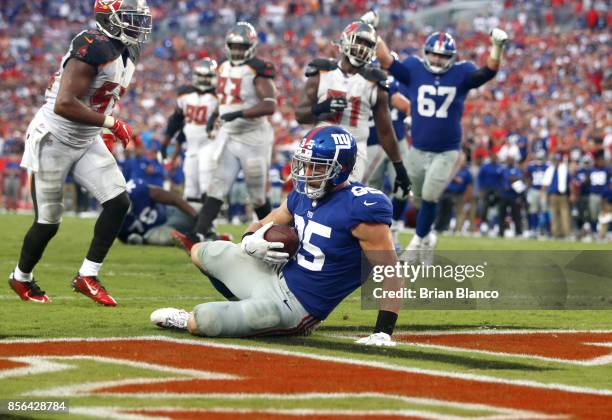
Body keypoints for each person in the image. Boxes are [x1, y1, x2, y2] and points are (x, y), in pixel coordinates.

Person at [151, 126, 403, 346]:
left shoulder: (361, 209)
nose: (306, 171)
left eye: (316, 165)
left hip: (296, 307)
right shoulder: (304, 192)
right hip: (272, 277)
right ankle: (244, 308)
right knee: (202, 251)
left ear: (341, 169)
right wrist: (250, 240)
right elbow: (266, 220)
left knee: (201, 322)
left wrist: (383, 331)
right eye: (304, 163)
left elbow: (390, 271)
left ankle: (205, 319)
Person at [8, 0, 152, 306]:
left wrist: (104, 124)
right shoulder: (93, 47)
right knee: (49, 221)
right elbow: (64, 103)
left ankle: (87, 275)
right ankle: (21, 277)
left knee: (118, 201)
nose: (137, 24)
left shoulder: (129, 50)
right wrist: (112, 123)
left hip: (87, 137)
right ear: (108, 18)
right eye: (129, 18)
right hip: (54, 136)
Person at [374, 19, 508, 263]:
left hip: (447, 150)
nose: (436, 60)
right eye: (433, 55)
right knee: (413, 194)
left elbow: (488, 71)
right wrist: (371, 32)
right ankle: (425, 237)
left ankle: (417, 241)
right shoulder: (415, 68)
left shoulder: (461, 73)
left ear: (452, 58)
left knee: (431, 194)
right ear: (426, 54)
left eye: (442, 56)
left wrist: (497, 47)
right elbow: (386, 61)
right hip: (418, 148)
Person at [175, 22, 277, 249]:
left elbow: (270, 105)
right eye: (235, 47)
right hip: (230, 136)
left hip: (254, 138)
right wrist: (215, 117)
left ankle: (275, 235)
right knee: (217, 185)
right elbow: (223, 101)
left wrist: (238, 113)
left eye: (242, 47)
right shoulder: (221, 67)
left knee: (257, 195)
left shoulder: (258, 69)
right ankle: (198, 235)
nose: (238, 51)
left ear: (251, 47)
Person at [294, 21, 411, 197]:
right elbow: (300, 115)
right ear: (345, 40)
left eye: (368, 44)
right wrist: (322, 107)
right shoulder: (322, 71)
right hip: (319, 146)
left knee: (341, 201)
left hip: (353, 150)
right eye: (359, 41)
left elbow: (385, 131)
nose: (362, 47)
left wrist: (399, 167)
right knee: (307, 196)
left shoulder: (375, 81)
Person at [162, 58, 219, 211]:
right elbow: (177, 121)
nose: (204, 80)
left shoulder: (219, 96)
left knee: (205, 179)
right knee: (190, 187)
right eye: (201, 76)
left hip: (210, 143)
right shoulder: (184, 93)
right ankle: (193, 224)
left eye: (208, 77)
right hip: (191, 145)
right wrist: (165, 142)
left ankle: (208, 225)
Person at [117, 178, 197, 246]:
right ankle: (194, 240)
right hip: (153, 232)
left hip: (168, 214)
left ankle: (200, 232)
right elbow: (123, 237)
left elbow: (173, 199)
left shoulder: (136, 190)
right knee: (164, 238)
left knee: (200, 211)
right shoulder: (113, 218)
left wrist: (196, 215)